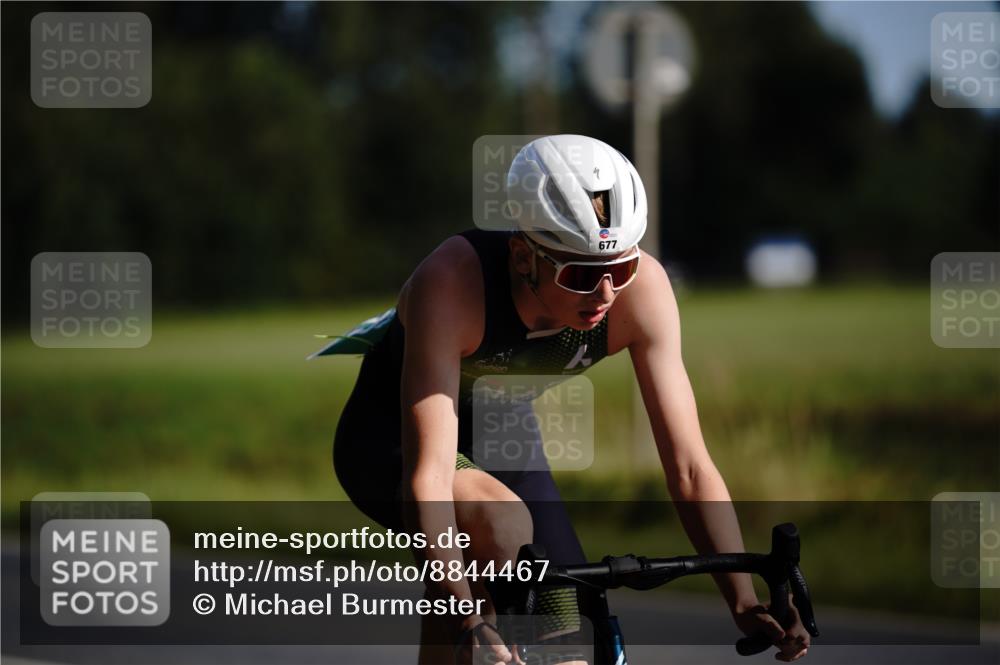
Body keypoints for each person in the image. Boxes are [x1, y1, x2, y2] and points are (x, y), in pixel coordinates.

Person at [327, 135, 810, 664]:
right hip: (394, 444)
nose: (605, 293)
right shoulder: (451, 284)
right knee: (499, 532)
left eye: (620, 269)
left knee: (569, 647)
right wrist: (467, 617)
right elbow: (430, 479)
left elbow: (691, 467)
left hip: (504, 432)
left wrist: (740, 598)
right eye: (580, 275)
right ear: (522, 256)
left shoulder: (641, 293)